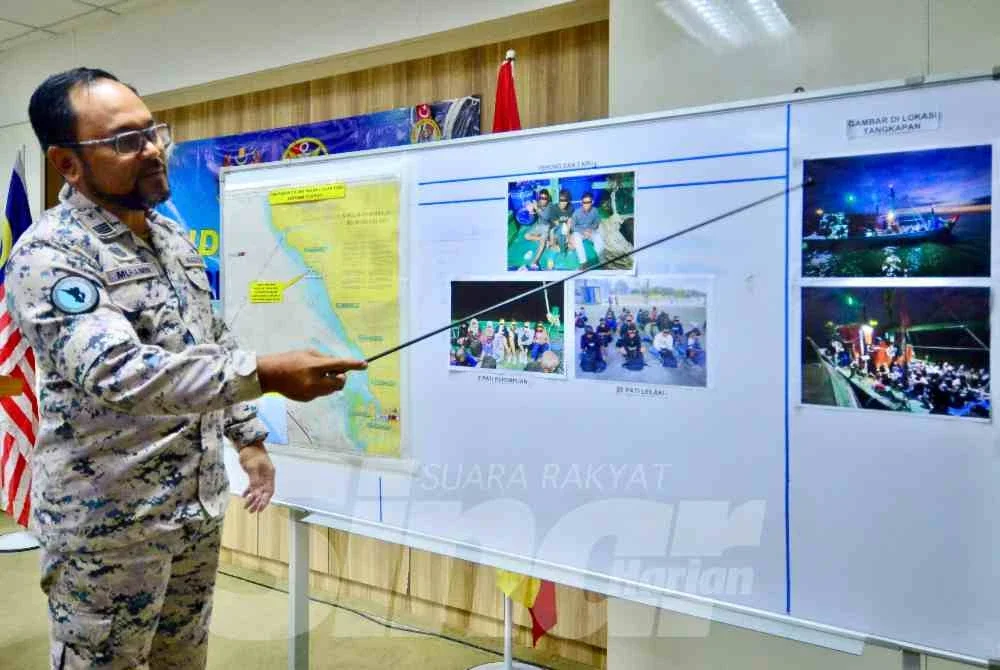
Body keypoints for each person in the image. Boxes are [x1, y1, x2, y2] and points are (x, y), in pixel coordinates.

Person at [5, 68, 368, 669]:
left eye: (154, 132)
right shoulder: (50, 254)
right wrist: (270, 373)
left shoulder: (170, 237)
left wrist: (247, 436)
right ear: (69, 165)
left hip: (192, 507)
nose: (152, 151)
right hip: (109, 526)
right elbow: (121, 372)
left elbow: (209, 339)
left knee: (181, 660)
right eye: (126, 141)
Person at [569, 191, 604, 266]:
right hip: (580, 232)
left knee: (599, 239)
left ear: (592, 202)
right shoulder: (577, 212)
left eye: (588, 202)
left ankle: (598, 259)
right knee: (577, 238)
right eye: (584, 202)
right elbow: (573, 226)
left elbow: (597, 222)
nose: (586, 204)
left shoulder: (595, 211)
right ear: (582, 203)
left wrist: (591, 229)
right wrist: (583, 231)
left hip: (590, 231)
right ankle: (583, 262)